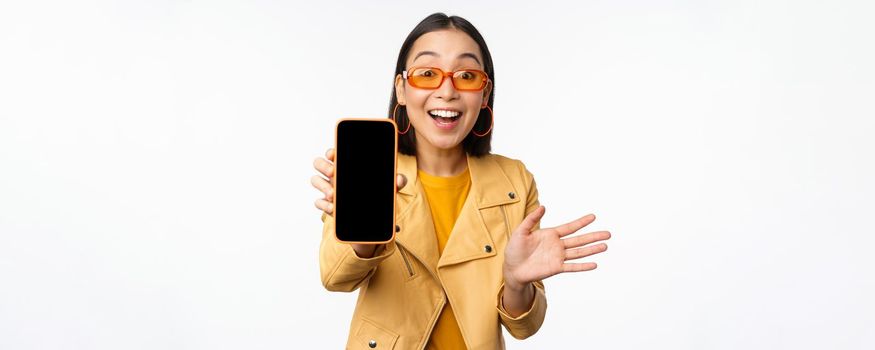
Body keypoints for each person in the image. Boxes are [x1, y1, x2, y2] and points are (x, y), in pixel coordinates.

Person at [310, 13, 611, 350]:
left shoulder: (514, 179)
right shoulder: (369, 169)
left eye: (467, 75)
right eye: (427, 74)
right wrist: (365, 233)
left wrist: (516, 283)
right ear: (402, 90)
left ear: (484, 94)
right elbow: (335, 278)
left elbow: (525, 326)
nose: (448, 90)